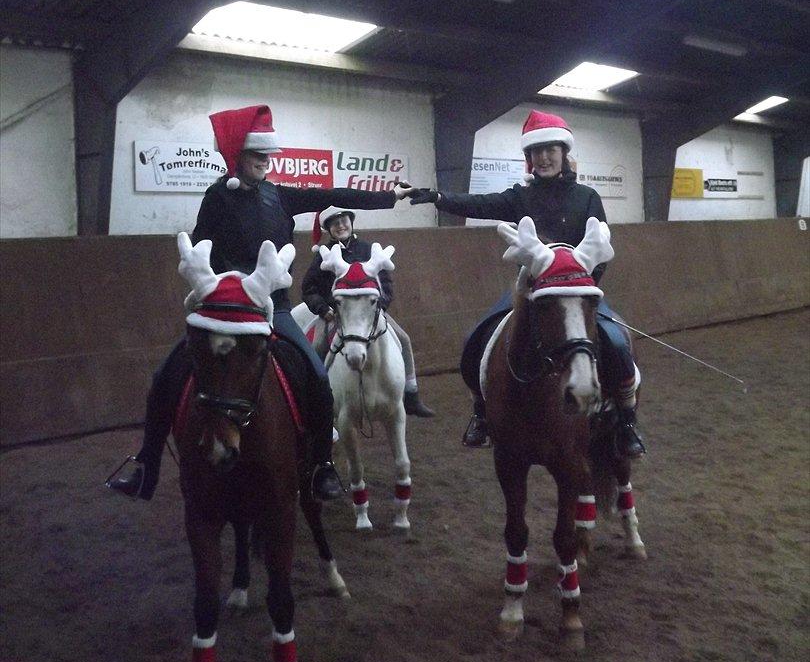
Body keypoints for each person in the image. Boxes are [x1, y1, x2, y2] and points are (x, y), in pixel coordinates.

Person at [107, 104, 411, 503]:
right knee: (166, 374)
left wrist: (389, 196)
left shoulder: (279, 196)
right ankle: (146, 465)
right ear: (238, 156)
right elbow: (202, 247)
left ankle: (321, 465)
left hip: (274, 308)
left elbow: (332, 193)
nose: (265, 163)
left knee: (318, 380)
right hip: (226, 309)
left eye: (267, 156)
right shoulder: (215, 198)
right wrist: (215, 285)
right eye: (257, 156)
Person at [402, 110, 646, 458]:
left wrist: (584, 287)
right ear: (528, 158)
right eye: (536, 152)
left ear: (563, 153)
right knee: (478, 339)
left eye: (551, 150)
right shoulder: (521, 196)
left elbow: (601, 247)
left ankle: (625, 421)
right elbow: (480, 204)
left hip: (577, 292)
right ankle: (481, 413)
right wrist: (438, 197)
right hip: (530, 290)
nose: (543, 158)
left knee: (618, 345)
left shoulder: (587, 197)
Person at [301, 206, 435, 417]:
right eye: (335, 224)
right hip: (335, 314)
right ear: (329, 229)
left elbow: (386, 285)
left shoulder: (369, 249)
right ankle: (317, 400)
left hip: (370, 314)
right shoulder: (322, 257)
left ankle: (411, 395)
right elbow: (309, 290)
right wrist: (323, 308)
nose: (341, 226)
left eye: (344, 220)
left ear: (351, 222)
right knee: (316, 346)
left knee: (404, 339)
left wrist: (378, 307)